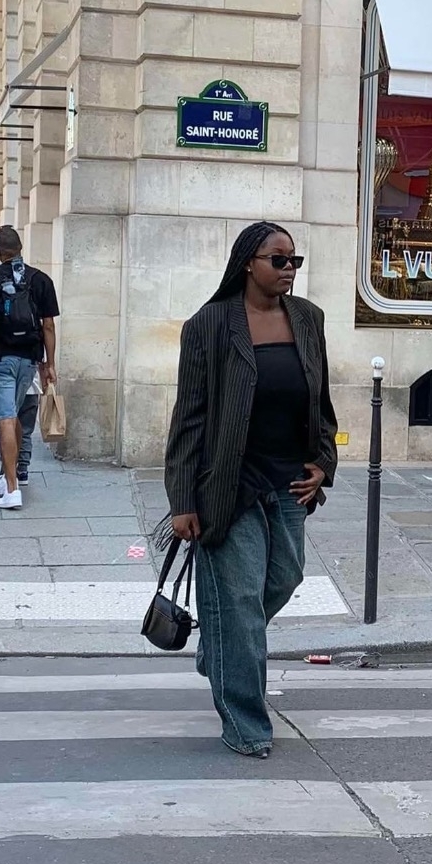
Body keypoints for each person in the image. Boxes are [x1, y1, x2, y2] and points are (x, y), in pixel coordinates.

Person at [163, 221, 337, 759]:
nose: (288, 269)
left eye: (293, 261)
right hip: (229, 482)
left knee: (285, 577)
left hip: (289, 480)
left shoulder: (307, 318)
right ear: (247, 264)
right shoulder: (210, 325)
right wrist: (182, 500)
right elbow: (189, 417)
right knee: (238, 602)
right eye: (278, 260)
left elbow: (321, 401)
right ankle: (246, 723)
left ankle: (220, 645)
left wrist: (323, 463)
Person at [0, 225, 59, 510]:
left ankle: (12, 489)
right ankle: (7, 475)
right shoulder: (41, 280)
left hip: (0, 357)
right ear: (21, 247)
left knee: (4, 418)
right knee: (12, 416)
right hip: (29, 358)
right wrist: (49, 363)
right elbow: (48, 326)